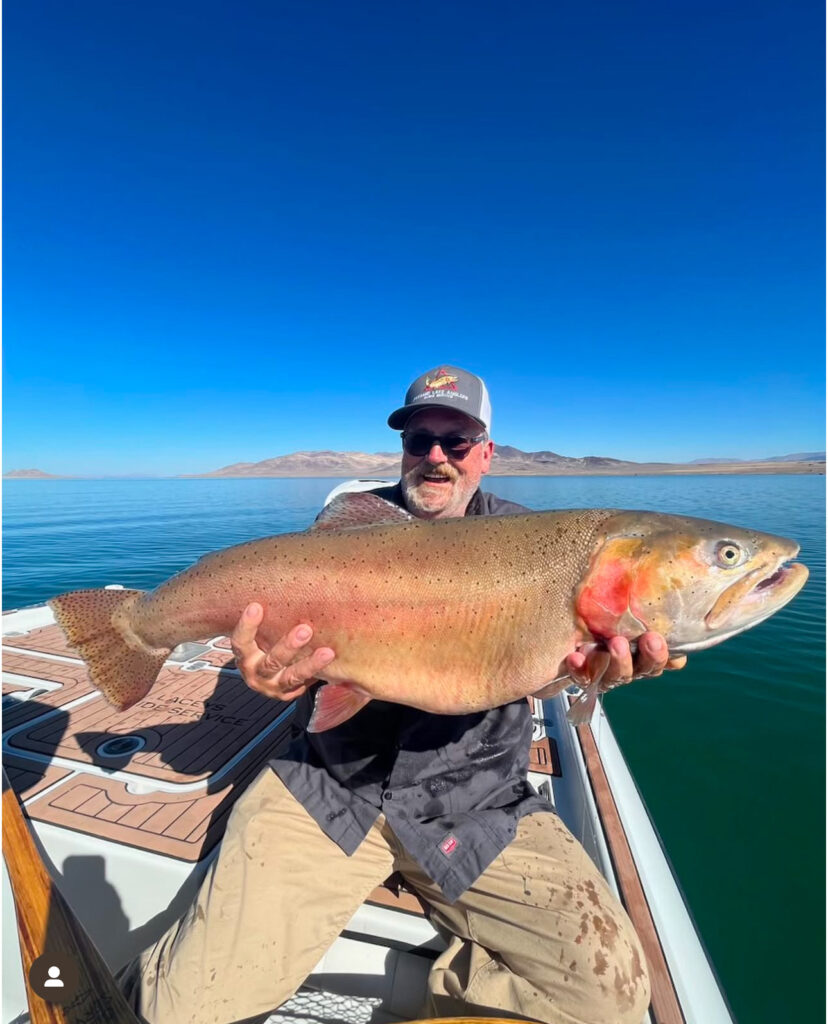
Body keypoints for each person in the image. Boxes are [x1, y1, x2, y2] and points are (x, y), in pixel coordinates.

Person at [121, 365, 685, 1024]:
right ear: (404, 448)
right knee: (179, 1009)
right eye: (421, 440)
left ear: (486, 453)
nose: (437, 457)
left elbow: (553, 667)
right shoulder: (352, 527)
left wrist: (593, 675)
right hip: (327, 790)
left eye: (457, 441)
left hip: (475, 802)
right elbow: (292, 653)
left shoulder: (537, 542)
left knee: (611, 994)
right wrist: (278, 677)